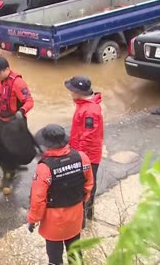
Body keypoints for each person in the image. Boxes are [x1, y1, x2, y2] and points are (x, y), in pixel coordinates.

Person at [27, 124, 94, 265]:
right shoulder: (82, 157)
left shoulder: (44, 168)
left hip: (54, 223)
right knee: (75, 252)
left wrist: (33, 219)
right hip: (75, 217)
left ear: (46, 145)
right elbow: (88, 184)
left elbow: (37, 200)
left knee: (55, 257)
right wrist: (82, 201)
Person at [0, 56, 35, 194]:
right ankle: (8, 169)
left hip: (15, 122)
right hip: (1, 121)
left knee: (12, 150)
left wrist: (22, 111)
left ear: (7, 70)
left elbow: (30, 101)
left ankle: (8, 176)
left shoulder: (18, 83)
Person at [65, 76, 103, 220]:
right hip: (82, 152)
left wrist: (78, 156)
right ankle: (85, 213)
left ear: (79, 92)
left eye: (72, 90)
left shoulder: (90, 111)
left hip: (88, 156)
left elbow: (88, 137)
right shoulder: (83, 104)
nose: (70, 93)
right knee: (86, 185)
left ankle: (86, 215)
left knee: (87, 186)